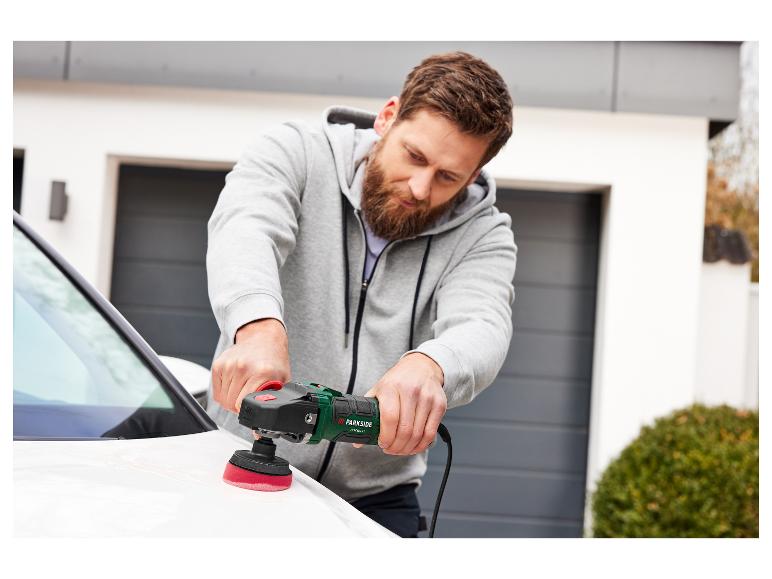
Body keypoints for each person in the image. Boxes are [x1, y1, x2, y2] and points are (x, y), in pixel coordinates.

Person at [206, 51, 517, 537]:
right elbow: (245, 230)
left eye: (448, 177)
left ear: (473, 175)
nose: (419, 187)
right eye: (414, 156)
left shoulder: (485, 235)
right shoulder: (296, 153)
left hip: (377, 499)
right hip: (241, 460)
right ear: (388, 117)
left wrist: (430, 365)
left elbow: (484, 324)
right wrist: (257, 325)